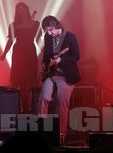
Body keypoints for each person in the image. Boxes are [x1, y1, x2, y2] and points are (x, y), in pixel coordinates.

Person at [37, 15, 81, 144]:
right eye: (47, 31)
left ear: (57, 25)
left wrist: (61, 60)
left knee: (61, 104)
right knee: (43, 98)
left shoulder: (70, 37)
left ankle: (61, 135)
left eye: (51, 30)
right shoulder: (47, 37)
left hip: (66, 75)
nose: (49, 33)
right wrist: (45, 64)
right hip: (51, 74)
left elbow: (76, 56)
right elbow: (46, 55)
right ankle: (41, 132)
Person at [0, 2, 40, 112]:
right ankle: (25, 108)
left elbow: (38, 40)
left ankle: (33, 107)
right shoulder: (14, 25)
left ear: (26, 9)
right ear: (17, 12)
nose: (21, 11)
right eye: (18, 9)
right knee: (22, 82)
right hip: (19, 53)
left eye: (22, 8)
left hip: (30, 52)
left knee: (32, 80)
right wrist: (4, 54)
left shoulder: (35, 24)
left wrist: (46, 52)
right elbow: (11, 40)